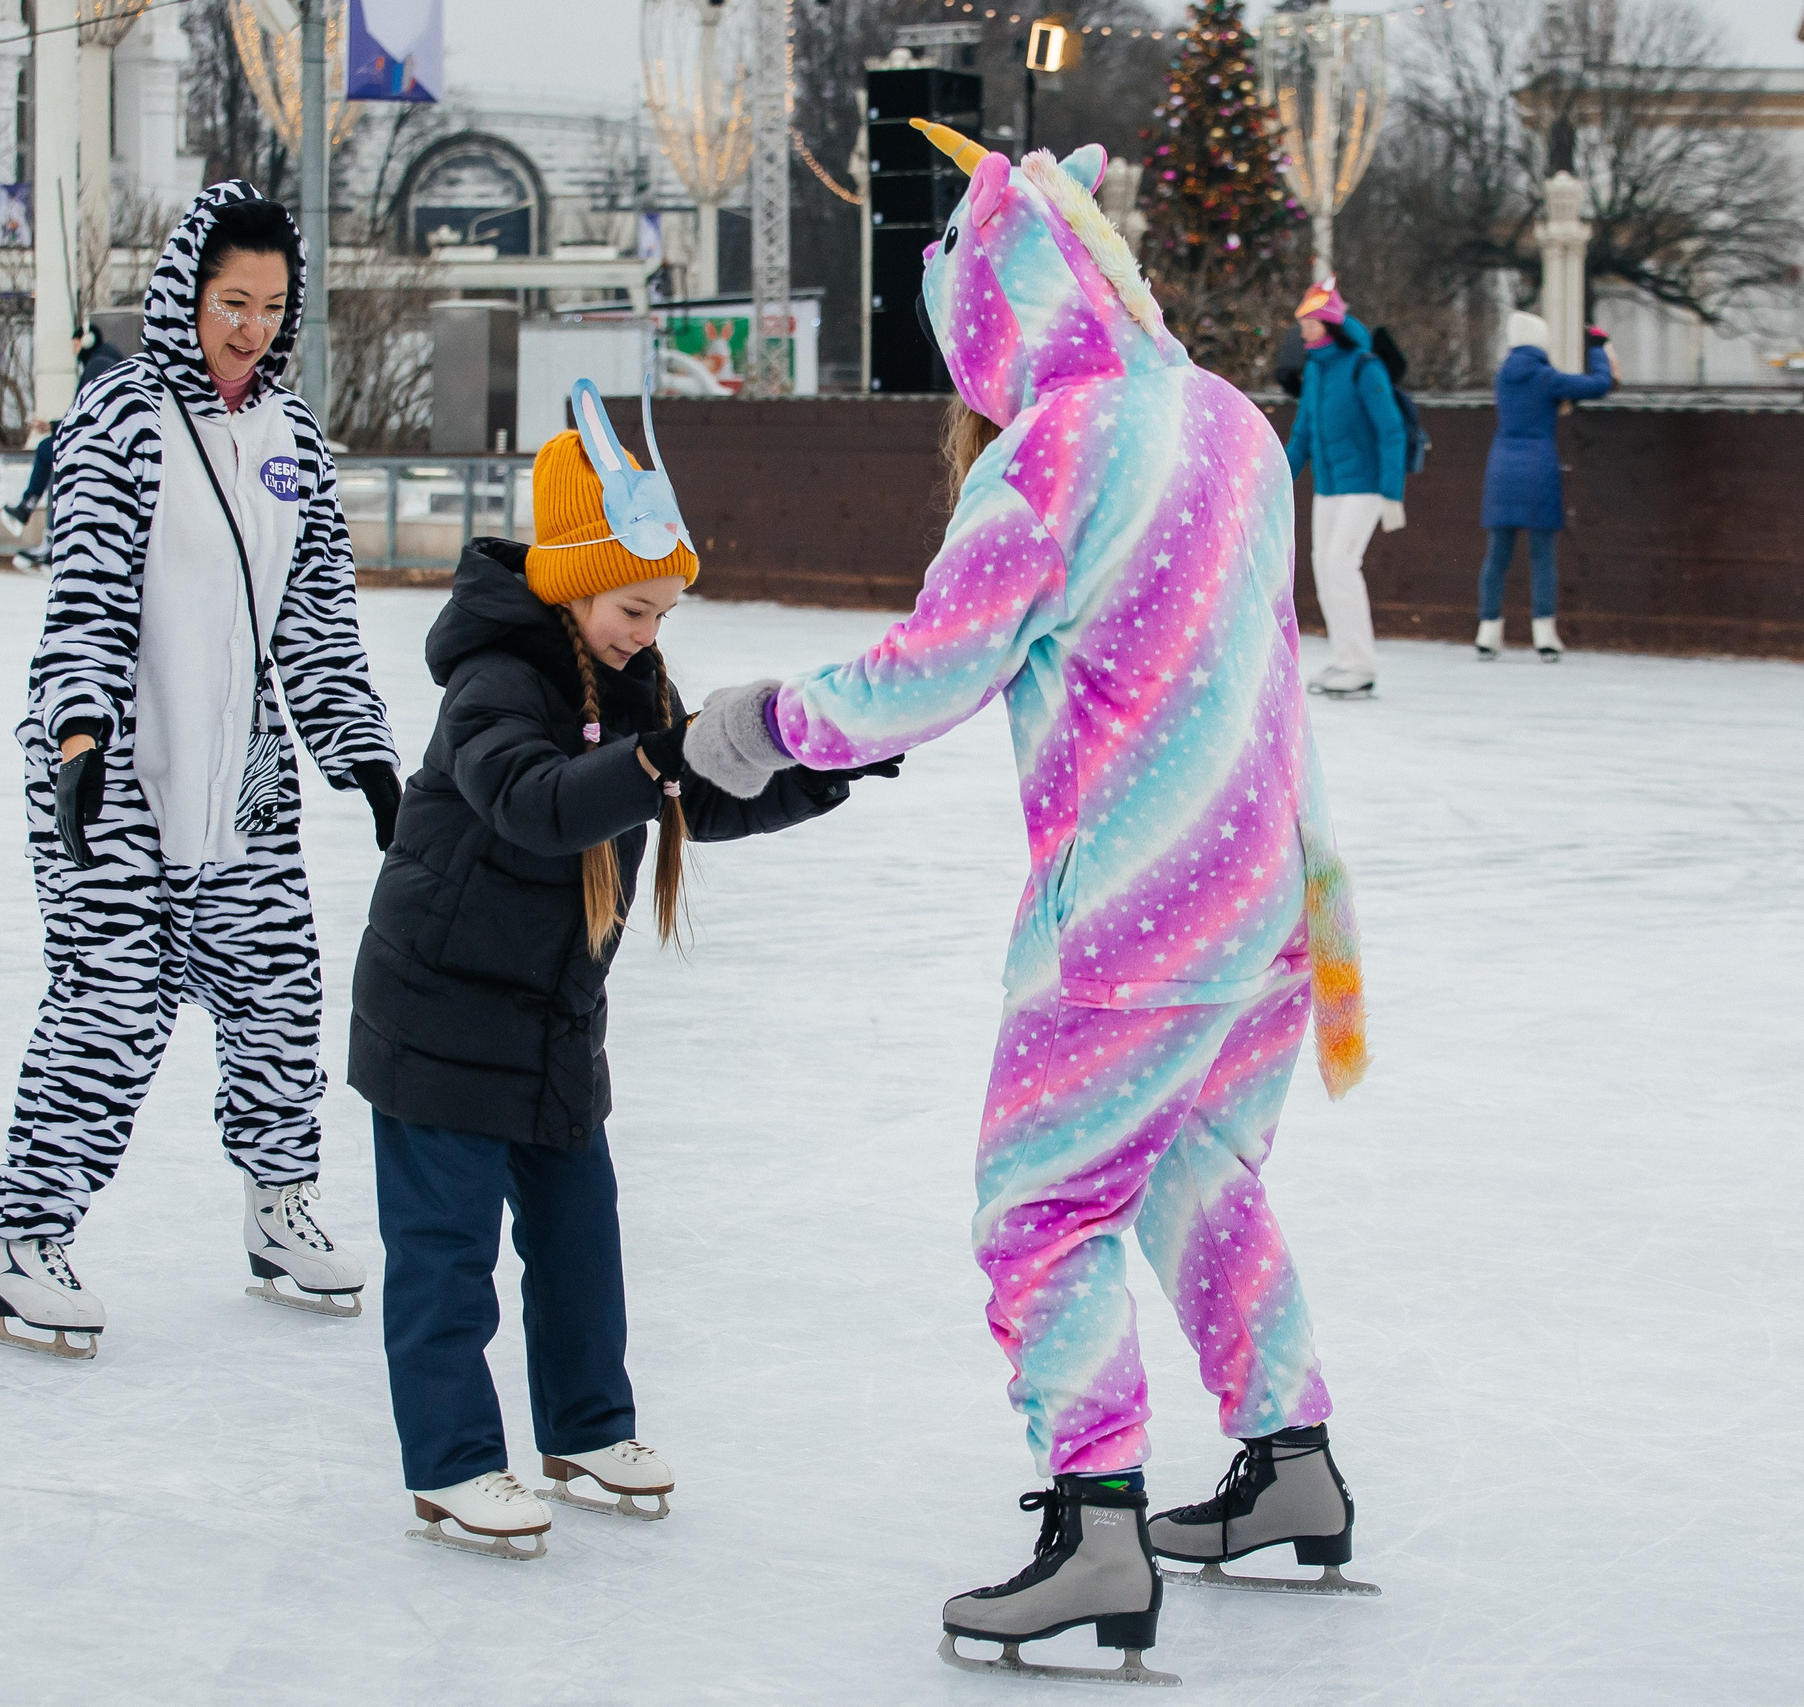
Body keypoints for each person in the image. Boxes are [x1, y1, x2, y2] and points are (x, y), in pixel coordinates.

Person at [682, 125, 1373, 1683]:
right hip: (1272, 903)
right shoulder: (1230, 424)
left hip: (1132, 923)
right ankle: (1292, 1459)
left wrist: (761, 725)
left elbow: (928, 671)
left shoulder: (1052, 449)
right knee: (1199, 1171)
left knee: (1042, 1212)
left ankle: (1098, 1519)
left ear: (992, 315)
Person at [352, 390, 890, 1560]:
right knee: (446, 1257)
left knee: (580, 1233)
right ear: (571, 584)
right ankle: (450, 1464)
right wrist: (662, 751)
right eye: (635, 607)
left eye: (663, 611)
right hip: (437, 1016)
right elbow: (537, 805)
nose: (651, 631)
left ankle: (586, 1430)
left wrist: (821, 764)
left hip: (551, 1019)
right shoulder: (495, 678)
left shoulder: (630, 675)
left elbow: (694, 793)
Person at [0, 182, 404, 1360]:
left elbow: (316, 618)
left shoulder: (293, 440)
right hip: (112, 761)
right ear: (184, 298)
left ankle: (278, 1210)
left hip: (244, 766)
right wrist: (76, 739)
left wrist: (360, 753)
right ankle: (23, 1241)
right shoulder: (118, 422)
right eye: (230, 302)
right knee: (108, 1007)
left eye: (271, 306)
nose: (250, 327)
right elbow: (87, 601)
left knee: (278, 995)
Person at [1283, 279, 1406, 700]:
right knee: (1324, 567)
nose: (1303, 330)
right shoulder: (1316, 370)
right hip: (1330, 487)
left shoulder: (1363, 366)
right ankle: (1345, 658)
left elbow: (1391, 430)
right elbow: (1302, 436)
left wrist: (1391, 493)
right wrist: (1276, 481)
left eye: (1310, 323)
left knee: (1340, 563)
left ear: (1328, 324)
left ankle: (1361, 664)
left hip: (1365, 487)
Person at [1478, 310, 1613, 662]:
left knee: (1497, 556)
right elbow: (1599, 385)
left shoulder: (1503, 377)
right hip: (1538, 469)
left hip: (1501, 468)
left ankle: (1488, 631)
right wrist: (1597, 346)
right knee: (1541, 557)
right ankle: (1544, 635)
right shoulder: (1546, 378)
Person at [5, 322, 127, 570]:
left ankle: (40, 525)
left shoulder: (99, 364)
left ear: (87, 341)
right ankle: (38, 524)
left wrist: (55, 427)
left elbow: (85, 413)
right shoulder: (107, 360)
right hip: (110, 439)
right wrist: (52, 426)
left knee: (52, 454)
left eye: (75, 344)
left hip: (101, 440)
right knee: (53, 455)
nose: (74, 351)